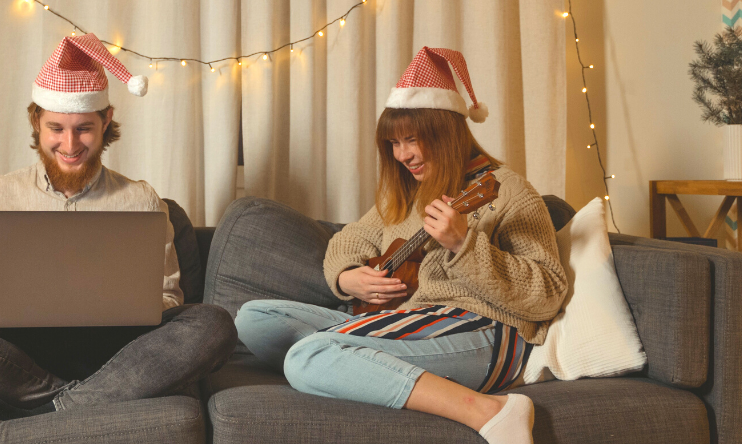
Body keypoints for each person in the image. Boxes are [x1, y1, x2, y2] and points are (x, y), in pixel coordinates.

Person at [234, 48, 566, 444]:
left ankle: (491, 410)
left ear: (446, 131)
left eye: (411, 139)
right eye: (394, 142)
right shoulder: (411, 195)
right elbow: (349, 239)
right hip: (417, 320)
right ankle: (356, 364)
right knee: (254, 318)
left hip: (488, 332)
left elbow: (548, 294)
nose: (401, 155)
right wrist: (347, 279)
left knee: (306, 356)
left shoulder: (508, 191)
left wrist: (465, 244)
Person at [0, 33, 236, 422]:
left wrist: (116, 310)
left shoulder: (141, 200)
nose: (70, 144)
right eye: (56, 128)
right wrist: (22, 313)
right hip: (17, 349)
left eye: (83, 129)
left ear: (106, 120)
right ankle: (90, 397)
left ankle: (46, 407)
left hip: (116, 349)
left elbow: (167, 297)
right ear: (36, 122)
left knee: (214, 325)